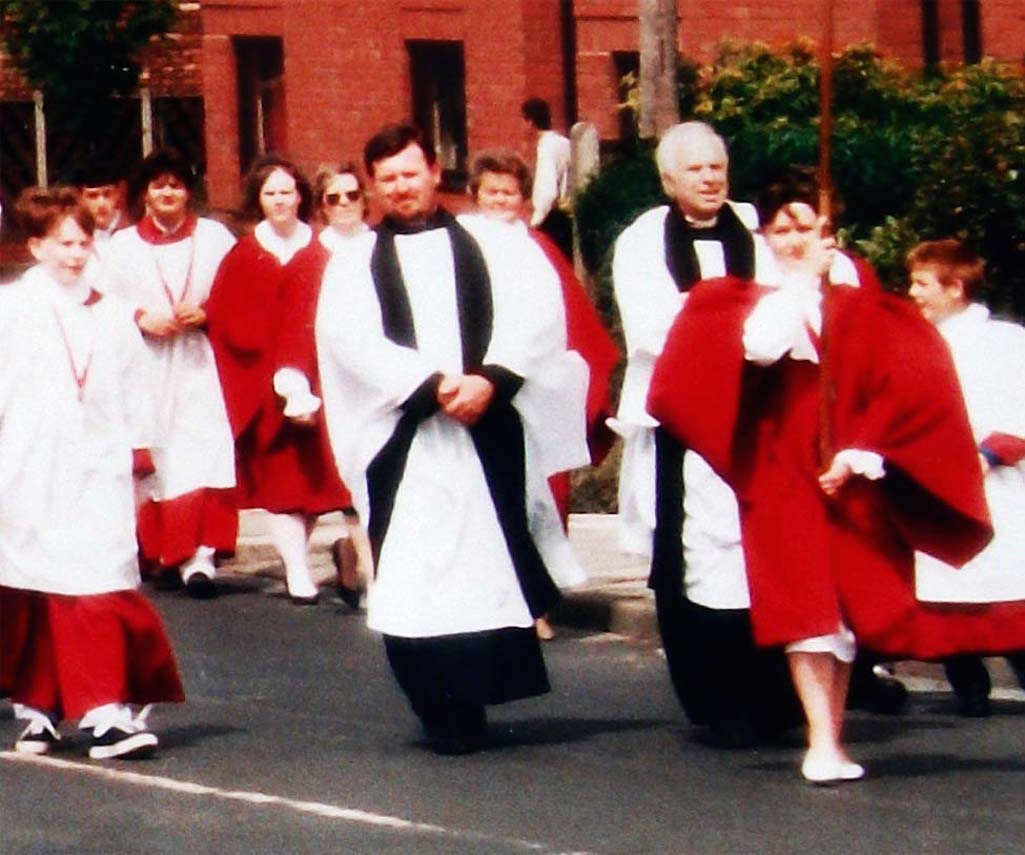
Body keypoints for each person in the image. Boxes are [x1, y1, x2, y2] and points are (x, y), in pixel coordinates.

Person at [647, 169, 994, 782]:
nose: (795, 238)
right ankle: (820, 741)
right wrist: (802, 282)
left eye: (807, 226)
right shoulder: (754, 300)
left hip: (846, 464)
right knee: (805, 602)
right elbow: (757, 350)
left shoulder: (858, 302)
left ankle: (830, 732)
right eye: (783, 229)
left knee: (844, 610)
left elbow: (895, 384)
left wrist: (860, 453)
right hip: (784, 465)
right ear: (769, 237)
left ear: (827, 230)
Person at [316, 123, 588, 753]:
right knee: (416, 571)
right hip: (407, 437)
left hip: (484, 425)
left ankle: (480, 691)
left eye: (411, 174)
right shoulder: (356, 260)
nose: (401, 187)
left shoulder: (495, 244)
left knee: (485, 564)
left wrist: (491, 379)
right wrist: (435, 385)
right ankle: (437, 703)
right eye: (388, 179)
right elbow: (349, 339)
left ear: (436, 171)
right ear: (375, 186)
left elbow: (538, 311)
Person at [608, 121, 805, 745]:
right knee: (696, 555)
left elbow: (791, 296)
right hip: (683, 417)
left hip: (758, 410)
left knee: (762, 550)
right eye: (695, 169)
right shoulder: (642, 242)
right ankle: (714, 697)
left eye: (717, 166)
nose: (710, 178)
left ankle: (774, 693)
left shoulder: (757, 227)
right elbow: (653, 327)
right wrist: (735, 341)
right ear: (668, 179)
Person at [0, 187, 184, 759]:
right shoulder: (10, 309)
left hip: (98, 469)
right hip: (29, 468)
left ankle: (107, 708)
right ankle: (40, 706)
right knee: (35, 586)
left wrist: (142, 450)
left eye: (85, 242)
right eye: (64, 244)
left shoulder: (113, 314)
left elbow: (134, 389)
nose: (77, 255)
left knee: (100, 584)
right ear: (35, 246)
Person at [466, 149, 620, 640]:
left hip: (528, 384)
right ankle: (498, 601)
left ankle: (538, 603)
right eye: (491, 191)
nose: (500, 201)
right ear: (476, 194)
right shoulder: (463, 240)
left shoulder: (537, 247)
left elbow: (562, 316)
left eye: (509, 192)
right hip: (476, 379)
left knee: (536, 496)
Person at [206, 155, 353, 605]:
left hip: (323, 382)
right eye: (270, 193)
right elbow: (227, 319)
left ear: (302, 195)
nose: (280, 201)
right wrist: (270, 373)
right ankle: (295, 568)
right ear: (258, 200)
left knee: (318, 481)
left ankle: (313, 554)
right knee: (281, 481)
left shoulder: (321, 250)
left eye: (287, 191)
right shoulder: (245, 254)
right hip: (264, 385)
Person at [102, 148, 238, 599]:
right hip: (148, 361)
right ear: (144, 194)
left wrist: (209, 312)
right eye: (158, 185)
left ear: (188, 192)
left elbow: (240, 291)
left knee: (205, 452)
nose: (167, 193)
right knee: (160, 459)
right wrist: (139, 316)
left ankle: (201, 556)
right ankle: (163, 553)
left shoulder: (216, 238)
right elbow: (102, 302)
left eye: (176, 185)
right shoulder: (121, 247)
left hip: (199, 360)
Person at [908, 239, 1025, 716]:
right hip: (936, 484)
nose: (911, 292)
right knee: (947, 585)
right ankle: (967, 686)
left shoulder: (1006, 341)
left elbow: (1018, 406)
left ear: (954, 288)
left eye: (921, 283)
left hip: (995, 483)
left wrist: (989, 455)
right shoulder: (918, 342)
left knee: (1007, 588)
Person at [521, 97, 573, 260]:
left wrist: (536, 221)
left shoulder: (546, 148)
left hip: (553, 219)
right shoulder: (564, 142)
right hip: (568, 213)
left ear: (530, 122)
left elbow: (547, 190)